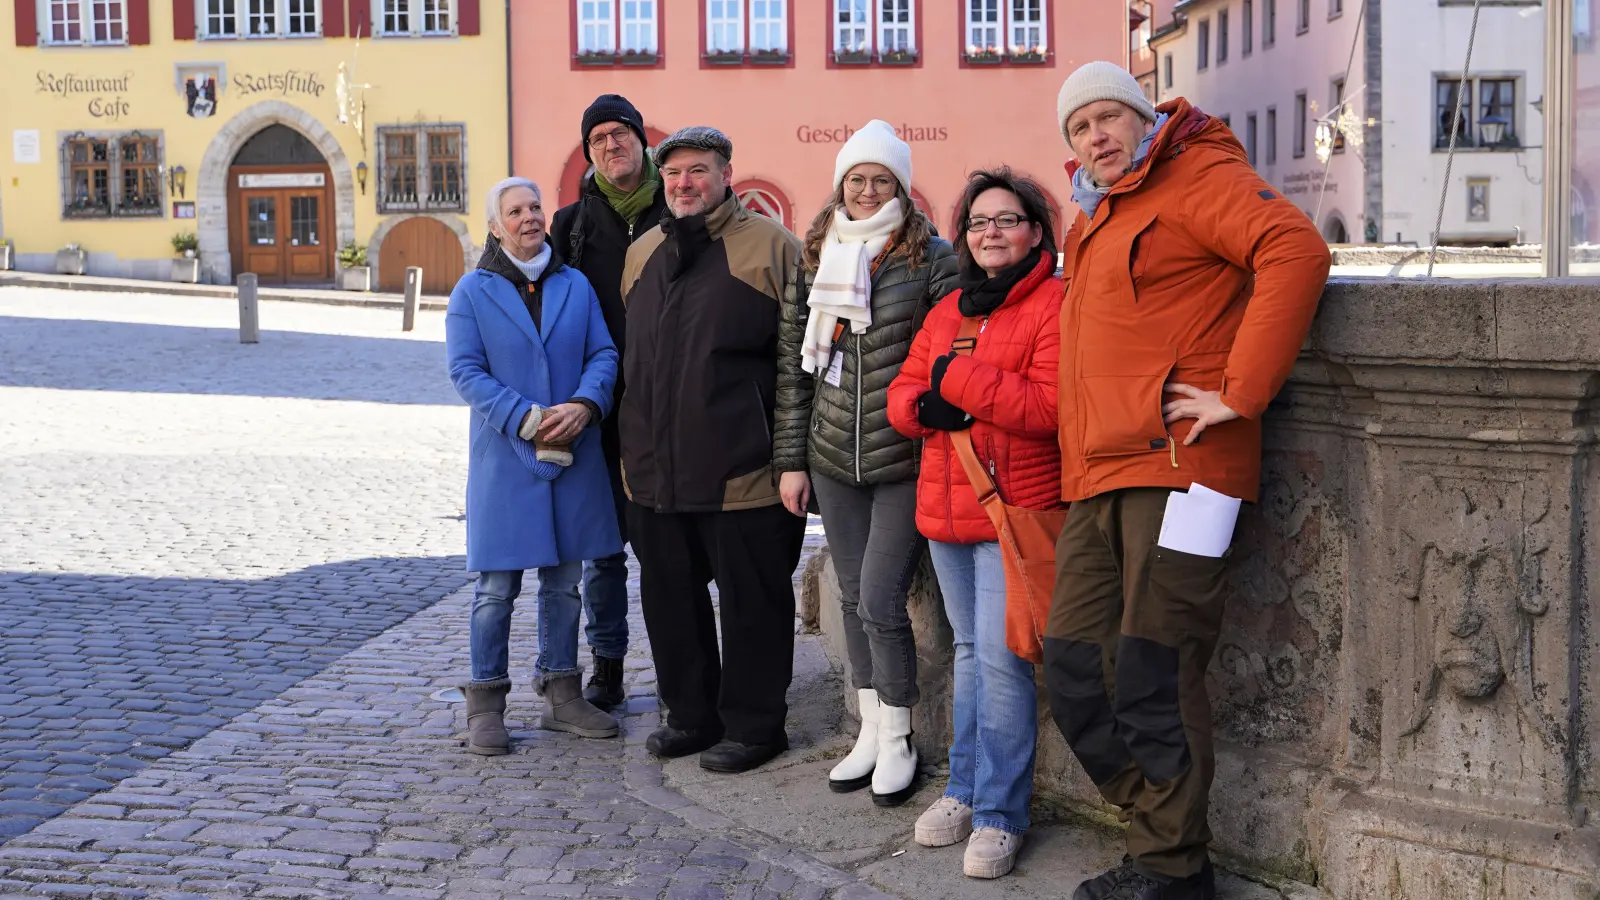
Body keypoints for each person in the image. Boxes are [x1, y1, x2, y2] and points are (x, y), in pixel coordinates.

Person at [1044, 62, 1330, 900]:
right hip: (1101, 472)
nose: (1095, 137)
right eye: (1078, 128)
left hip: (1187, 472)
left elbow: (1296, 248)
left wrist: (1242, 392)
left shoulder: (1197, 173)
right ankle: (1156, 829)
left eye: (1107, 118)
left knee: (1155, 668)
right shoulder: (1096, 216)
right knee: (1070, 661)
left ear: (1141, 119)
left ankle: (1174, 868)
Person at [886, 168, 1064, 880]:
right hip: (944, 508)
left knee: (1002, 660)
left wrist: (953, 385)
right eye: (979, 222)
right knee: (966, 653)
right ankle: (963, 789)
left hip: (1011, 509)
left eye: (1006, 220)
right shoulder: (951, 306)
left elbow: (1048, 409)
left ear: (1034, 231)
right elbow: (905, 389)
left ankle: (999, 814)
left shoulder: (1052, 304)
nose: (991, 232)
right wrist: (920, 408)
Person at [773, 120, 958, 805]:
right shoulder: (817, 254)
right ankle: (870, 727)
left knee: (881, 597)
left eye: (882, 180)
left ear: (901, 188)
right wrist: (791, 462)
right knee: (850, 597)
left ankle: (901, 733)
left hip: (905, 457)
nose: (868, 190)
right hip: (829, 456)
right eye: (858, 179)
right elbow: (794, 372)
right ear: (841, 185)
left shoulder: (931, 259)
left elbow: (950, 354)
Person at [619, 126, 808, 774]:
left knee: (754, 605)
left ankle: (755, 726)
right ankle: (690, 716)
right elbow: (633, 362)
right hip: (655, 472)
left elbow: (798, 366)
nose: (684, 184)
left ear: (726, 174)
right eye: (673, 174)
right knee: (671, 603)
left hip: (745, 472)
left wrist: (792, 458)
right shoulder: (643, 252)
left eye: (698, 171)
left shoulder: (771, 249)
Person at [446, 176, 624, 753]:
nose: (530, 218)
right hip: (506, 457)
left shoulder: (575, 285)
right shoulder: (472, 292)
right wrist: (524, 417)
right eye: (515, 211)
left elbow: (604, 353)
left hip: (574, 450)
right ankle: (486, 704)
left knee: (566, 583)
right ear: (496, 227)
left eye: (535, 207)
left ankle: (562, 695)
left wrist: (584, 404)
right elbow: (466, 371)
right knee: (496, 589)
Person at [549, 94, 670, 712]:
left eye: (619, 132)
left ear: (641, 140)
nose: (610, 144)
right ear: (588, 152)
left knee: (669, 548)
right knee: (602, 552)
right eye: (596, 138)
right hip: (596, 410)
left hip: (666, 407)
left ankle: (680, 674)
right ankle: (609, 666)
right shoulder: (570, 225)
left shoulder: (675, 205)